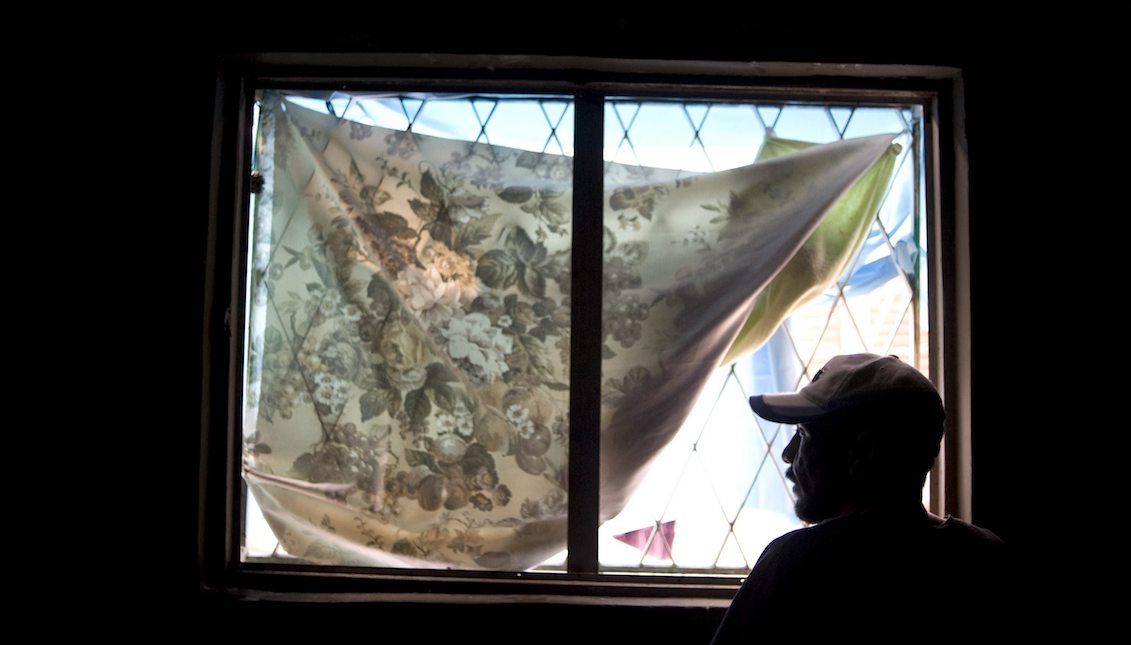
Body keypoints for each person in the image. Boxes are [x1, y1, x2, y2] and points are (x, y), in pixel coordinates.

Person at [709, 353, 1007, 641]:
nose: (789, 455)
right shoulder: (984, 557)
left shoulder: (795, 564)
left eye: (805, 435)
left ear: (861, 452)